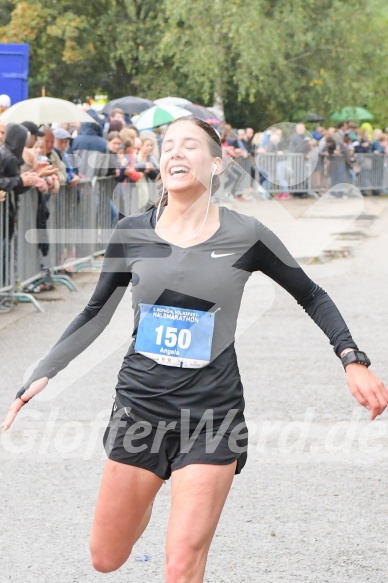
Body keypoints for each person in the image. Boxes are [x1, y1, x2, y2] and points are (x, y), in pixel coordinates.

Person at [2, 117, 387, 582]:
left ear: (218, 162)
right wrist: (44, 371)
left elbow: (312, 295)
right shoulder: (132, 232)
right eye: (168, 146)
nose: (176, 153)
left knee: (182, 564)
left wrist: (352, 359)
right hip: (139, 407)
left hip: (212, 413)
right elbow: (95, 313)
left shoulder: (248, 234)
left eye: (190, 146)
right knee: (106, 556)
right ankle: (147, 497)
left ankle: (182, 514)